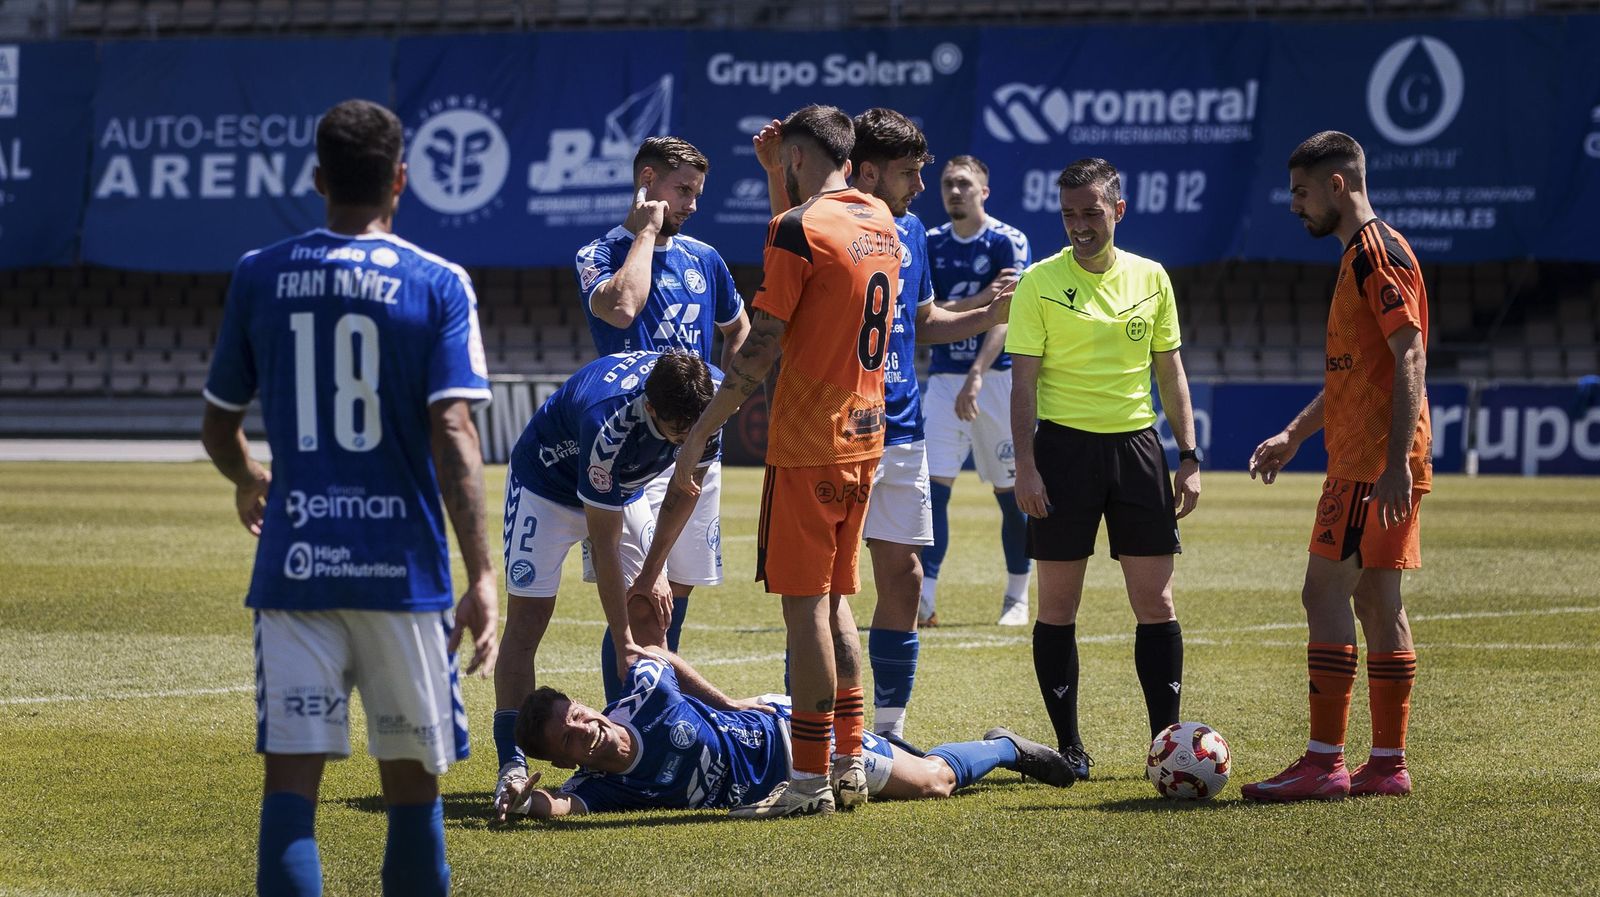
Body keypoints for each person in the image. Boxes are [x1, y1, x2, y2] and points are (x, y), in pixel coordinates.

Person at [200, 99, 498, 897]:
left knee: (291, 792)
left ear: (319, 178)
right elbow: (456, 431)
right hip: (402, 577)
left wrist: (249, 478)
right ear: (401, 179)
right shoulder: (438, 283)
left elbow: (217, 425)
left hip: (297, 569)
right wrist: (483, 573)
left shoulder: (260, 273)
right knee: (411, 791)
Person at [664, 104, 900, 818]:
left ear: (797, 156)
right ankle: (851, 761)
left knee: (806, 615)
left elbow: (764, 342)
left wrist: (702, 430)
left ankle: (807, 783)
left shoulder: (798, 227)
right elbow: (808, 268)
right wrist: (777, 180)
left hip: (808, 446)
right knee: (837, 606)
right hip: (866, 437)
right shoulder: (879, 222)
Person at [750, 110, 1012, 739]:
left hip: (902, 427)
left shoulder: (912, 232)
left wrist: (988, 313)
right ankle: (811, 728)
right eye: (909, 173)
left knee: (905, 576)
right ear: (866, 170)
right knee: (817, 594)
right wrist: (774, 175)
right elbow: (788, 239)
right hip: (828, 431)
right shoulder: (822, 220)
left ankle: (885, 732)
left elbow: (922, 322)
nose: (921, 187)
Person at [1243, 131, 1430, 802]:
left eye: (1300, 192)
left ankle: (1325, 761)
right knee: (1377, 601)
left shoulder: (1375, 254)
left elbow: (1410, 355)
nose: (1294, 206)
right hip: (1377, 457)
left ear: (1338, 185)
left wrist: (1391, 463)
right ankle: (1387, 763)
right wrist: (1294, 433)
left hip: (1369, 463)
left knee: (1322, 593)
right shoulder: (1362, 255)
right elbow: (1360, 371)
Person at [493, 608, 1075, 820]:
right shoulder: (600, 784)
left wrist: (722, 702)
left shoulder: (640, 700)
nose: (585, 731)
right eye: (568, 740)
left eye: (578, 716)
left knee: (934, 784)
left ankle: (1006, 747)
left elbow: (660, 657)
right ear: (562, 758)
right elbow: (562, 805)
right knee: (920, 774)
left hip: (788, 737)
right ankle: (939, 752)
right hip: (770, 790)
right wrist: (525, 801)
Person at [1007, 157, 1203, 781]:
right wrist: (1028, 468)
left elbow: (1170, 372)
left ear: (1118, 210)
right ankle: (1070, 746)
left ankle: (1164, 746)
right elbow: (1023, 387)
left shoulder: (1152, 277)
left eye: (1090, 212)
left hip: (1138, 450)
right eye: (1068, 214)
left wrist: (1189, 456)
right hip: (1063, 453)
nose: (1079, 225)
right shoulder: (1038, 282)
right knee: (1058, 607)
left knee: (1156, 601)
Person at [491, 350, 720, 814]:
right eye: (681, 433)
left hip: (626, 485)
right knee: (527, 622)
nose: (691, 440)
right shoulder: (608, 422)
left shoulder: (709, 402)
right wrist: (622, 643)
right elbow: (604, 539)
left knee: (650, 607)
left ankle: (640, 741)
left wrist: (654, 572)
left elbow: (682, 491)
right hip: (547, 486)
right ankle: (510, 767)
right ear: (652, 410)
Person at [566, 137, 748, 709]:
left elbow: (739, 333)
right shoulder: (596, 253)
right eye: (682, 190)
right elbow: (621, 308)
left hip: (699, 445)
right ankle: (630, 719)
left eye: (698, 192)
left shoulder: (706, 258)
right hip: (630, 450)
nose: (693, 203)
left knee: (675, 592)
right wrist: (644, 232)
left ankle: (656, 704)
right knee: (642, 593)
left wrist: (726, 395)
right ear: (647, 180)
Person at [923, 156, 1035, 627]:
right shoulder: (928, 242)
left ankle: (1016, 597)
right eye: (948, 183)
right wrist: (979, 301)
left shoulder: (1009, 241)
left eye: (964, 184)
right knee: (933, 493)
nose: (954, 191)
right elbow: (923, 314)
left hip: (998, 381)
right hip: (943, 379)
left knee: (1011, 496)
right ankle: (923, 600)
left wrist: (977, 373)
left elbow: (1007, 316)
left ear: (983, 191)